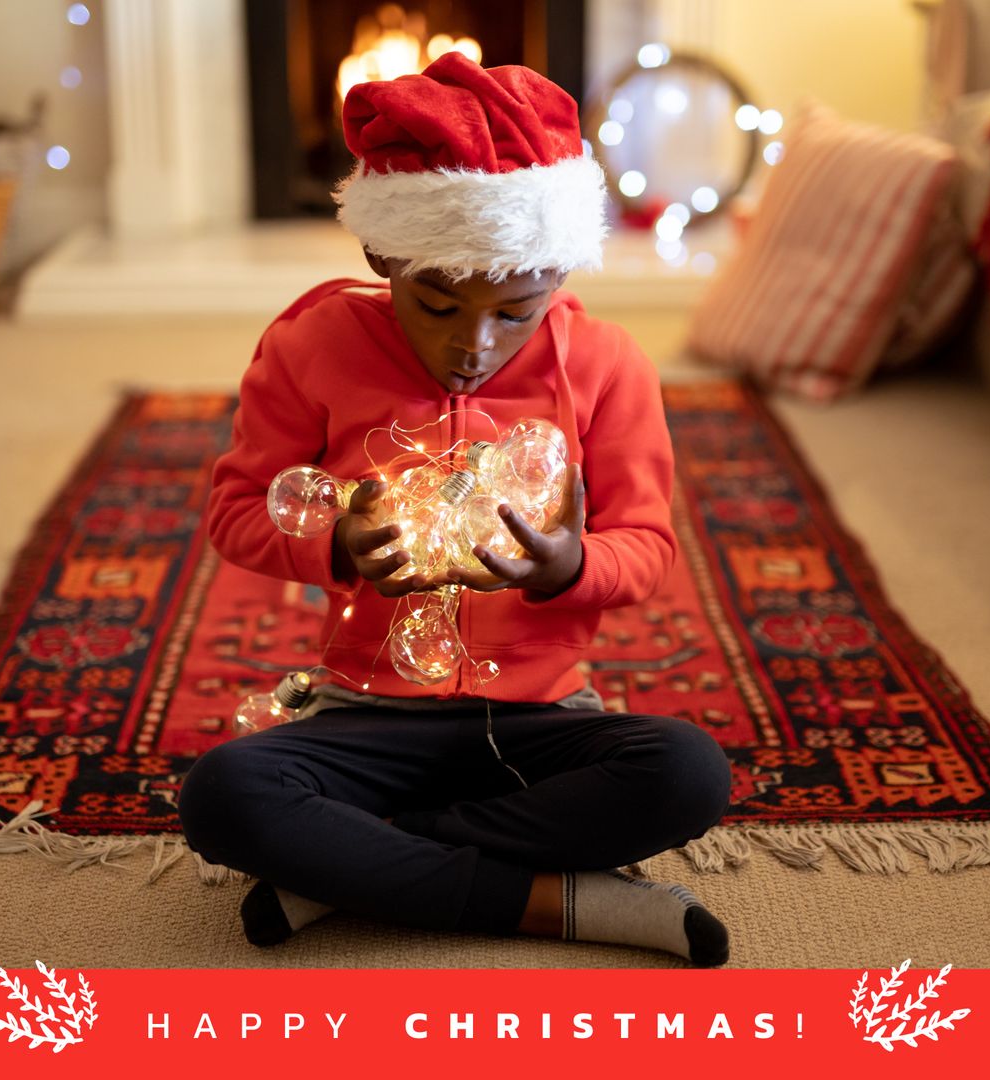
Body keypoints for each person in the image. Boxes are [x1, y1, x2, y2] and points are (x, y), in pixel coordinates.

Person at [177, 53, 733, 966]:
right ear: (382, 255)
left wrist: (572, 567)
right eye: (434, 305)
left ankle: (358, 864)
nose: (472, 345)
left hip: (543, 718)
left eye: (517, 311)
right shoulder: (311, 345)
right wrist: (336, 546)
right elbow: (237, 509)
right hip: (366, 715)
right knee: (224, 797)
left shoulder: (608, 363)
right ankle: (563, 904)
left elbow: (649, 546)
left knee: (686, 774)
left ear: (557, 267)